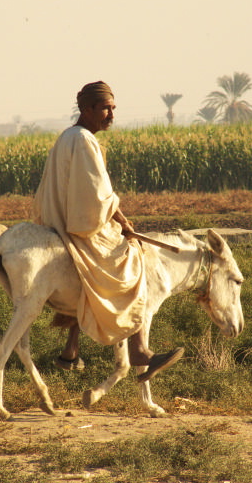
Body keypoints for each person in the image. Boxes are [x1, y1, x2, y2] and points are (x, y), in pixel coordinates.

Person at [32, 80, 183, 382]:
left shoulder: (66, 136)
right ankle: (140, 351)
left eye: (113, 108)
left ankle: (70, 348)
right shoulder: (84, 139)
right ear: (86, 110)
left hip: (61, 222)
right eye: (105, 108)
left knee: (96, 275)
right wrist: (125, 223)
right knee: (134, 259)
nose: (111, 115)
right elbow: (97, 195)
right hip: (78, 228)